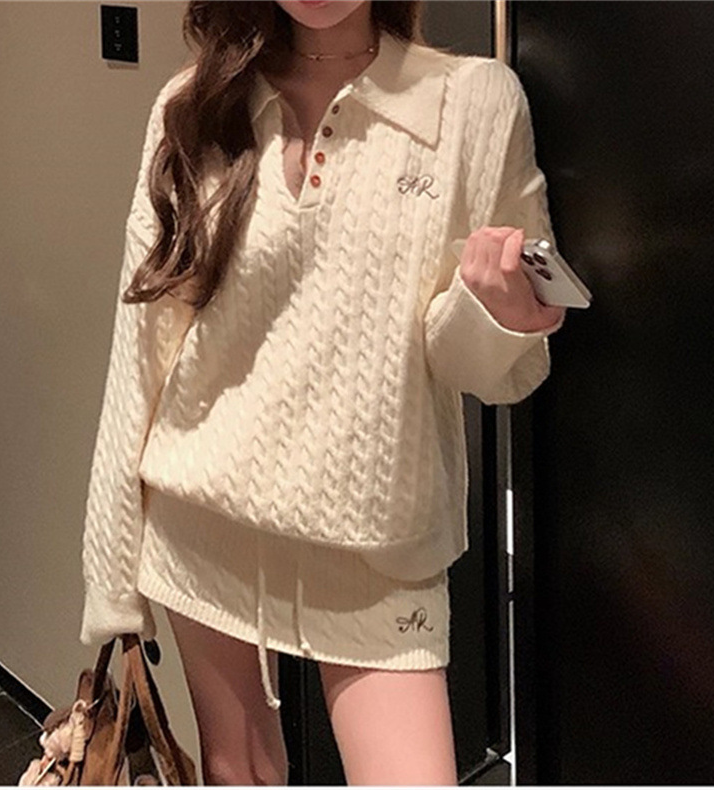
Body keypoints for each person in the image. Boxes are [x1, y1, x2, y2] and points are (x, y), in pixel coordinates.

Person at [78, 0, 565, 784]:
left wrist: (496, 315)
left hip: (378, 542)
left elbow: (486, 372)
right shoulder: (194, 107)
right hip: (202, 523)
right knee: (238, 773)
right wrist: (110, 574)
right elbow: (143, 351)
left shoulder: (474, 100)